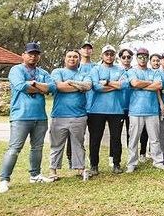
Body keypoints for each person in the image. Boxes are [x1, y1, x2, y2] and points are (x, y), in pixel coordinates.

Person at [0, 42, 57, 193]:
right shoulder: (16, 69)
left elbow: (52, 88)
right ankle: (4, 180)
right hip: (20, 116)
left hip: (40, 117)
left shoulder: (43, 72)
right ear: (23, 55)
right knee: (14, 148)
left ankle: (35, 175)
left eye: (36, 54)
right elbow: (20, 86)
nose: (33, 56)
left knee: (37, 148)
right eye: (30, 54)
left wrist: (34, 83)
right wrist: (40, 88)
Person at [48, 50, 92, 181]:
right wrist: (78, 86)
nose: (72, 59)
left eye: (75, 57)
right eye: (69, 56)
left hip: (79, 115)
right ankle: (53, 170)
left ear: (79, 59)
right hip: (59, 115)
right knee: (56, 144)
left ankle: (80, 168)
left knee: (78, 143)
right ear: (64, 58)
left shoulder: (85, 73)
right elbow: (59, 87)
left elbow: (88, 86)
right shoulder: (57, 72)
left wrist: (70, 83)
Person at [88, 45, 127, 175]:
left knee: (116, 138)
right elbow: (96, 87)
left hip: (116, 110)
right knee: (95, 138)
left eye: (111, 54)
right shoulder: (95, 69)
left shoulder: (120, 69)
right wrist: (115, 85)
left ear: (114, 55)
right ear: (102, 55)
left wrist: (106, 82)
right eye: (106, 54)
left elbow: (124, 85)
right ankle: (94, 165)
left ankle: (116, 164)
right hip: (96, 110)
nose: (109, 56)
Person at [126, 47, 164, 173]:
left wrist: (142, 85)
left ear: (148, 58)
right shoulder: (132, 71)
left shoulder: (154, 72)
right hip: (135, 110)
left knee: (155, 138)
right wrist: (149, 84)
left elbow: (158, 85)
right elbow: (134, 83)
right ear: (136, 58)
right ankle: (132, 163)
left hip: (152, 110)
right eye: (140, 57)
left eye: (145, 57)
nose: (143, 59)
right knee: (133, 139)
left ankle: (158, 161)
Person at [117, 48, 134, 165]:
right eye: (124, 57)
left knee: (131, 133)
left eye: (129, 57)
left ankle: (130, 157)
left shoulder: (135, 71)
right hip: (118, 106)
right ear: (120, 58)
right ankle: (113, 157)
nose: (126, 59)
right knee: (116, 134)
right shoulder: (116, 70)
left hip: (132, 106)